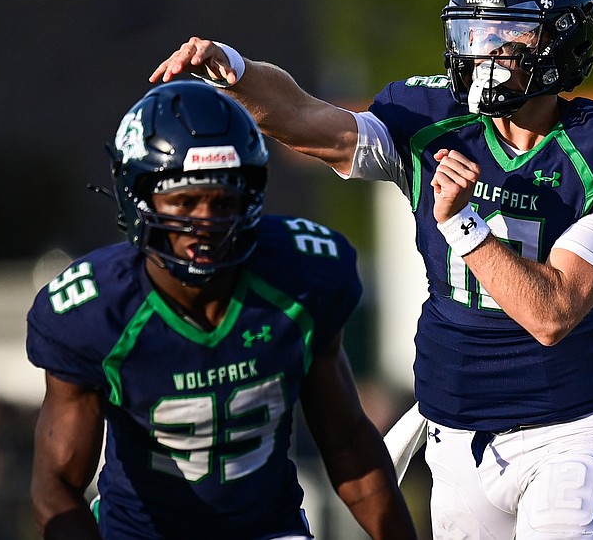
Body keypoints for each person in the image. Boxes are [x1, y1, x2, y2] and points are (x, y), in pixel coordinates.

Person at [150, 0, 593, 540]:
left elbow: (550, 313)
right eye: (475, 31)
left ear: (560, 40)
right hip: (454, 423)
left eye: (508, 32)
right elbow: (304, 119)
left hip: (567, 426)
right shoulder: (427, 119)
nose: (484, 51)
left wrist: (460, 223)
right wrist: (236, 72)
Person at [26, 80, 418, 540]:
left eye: (222, 201)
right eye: (185, 201)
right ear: (139, 198)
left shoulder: (301, 279)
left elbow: (348, 442)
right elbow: (55, 485)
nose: (205, 223)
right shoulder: (98, 312)